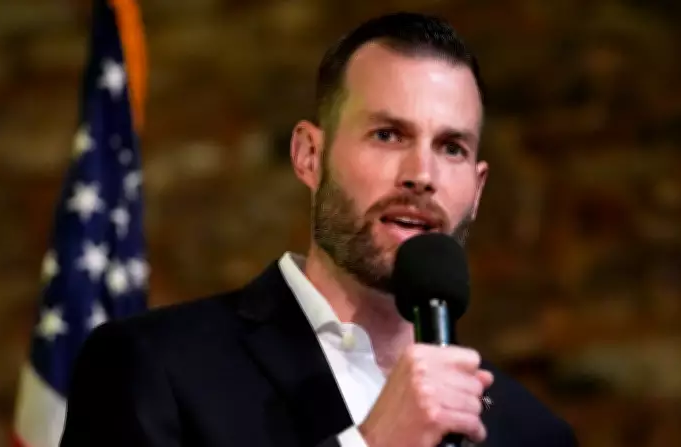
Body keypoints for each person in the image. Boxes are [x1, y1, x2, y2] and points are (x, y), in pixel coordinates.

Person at [60, 11, 577, 447]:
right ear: (310, 155)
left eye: (451, 148)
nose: (422, 174)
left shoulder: (532, 432)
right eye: (388, 135)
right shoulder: (154, 368)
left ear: (478, 188)